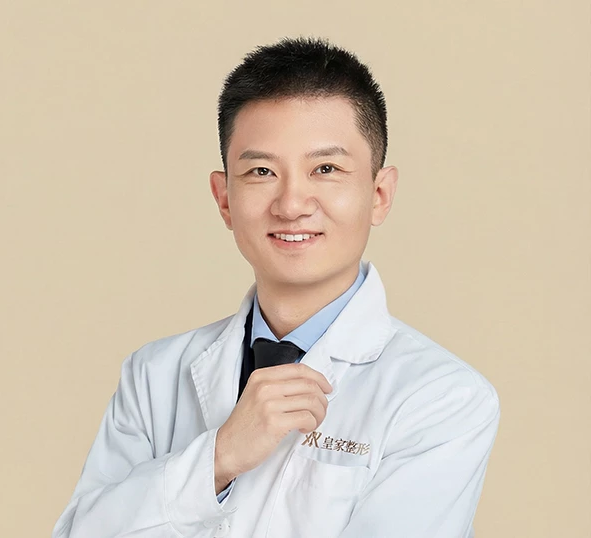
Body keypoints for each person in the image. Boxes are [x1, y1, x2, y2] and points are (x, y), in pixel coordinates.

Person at [52, 36, 500, 538]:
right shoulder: (154, 375)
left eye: (326, 169)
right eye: (261, 171)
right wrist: (218, 457)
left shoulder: (441, 398)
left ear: (379, 194)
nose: (291, 204)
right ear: (224, 198)